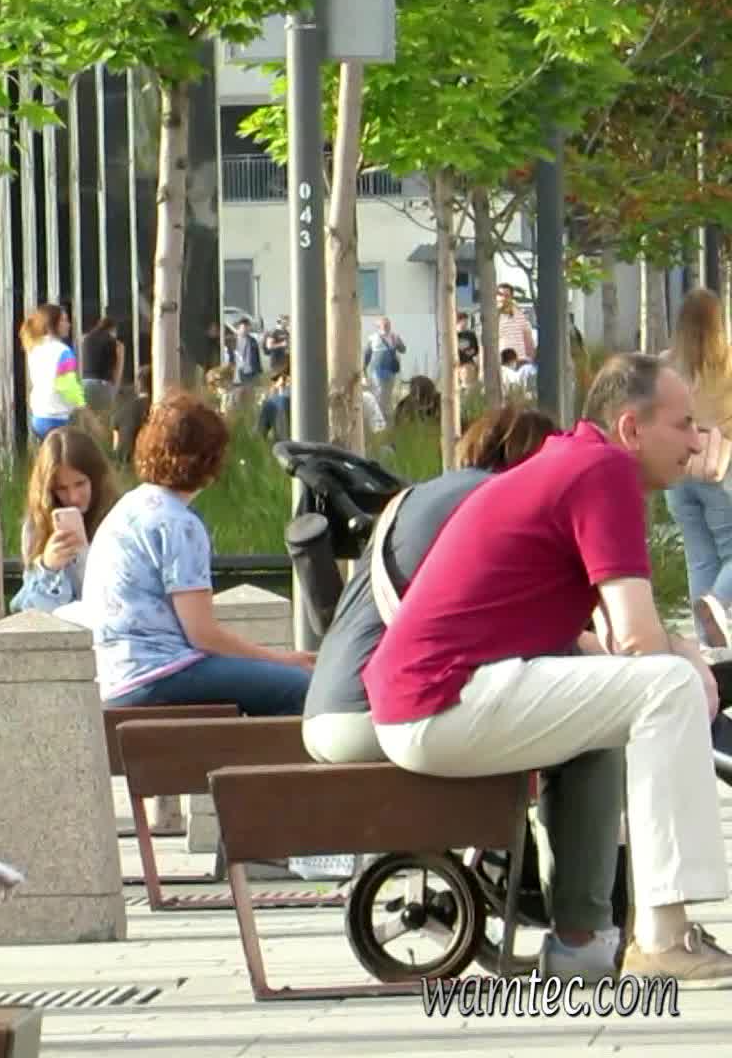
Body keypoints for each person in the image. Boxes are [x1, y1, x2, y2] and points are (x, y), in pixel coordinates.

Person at [365, 351, 732, 983]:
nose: (697, 442)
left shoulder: (575, 462)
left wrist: (679, 651)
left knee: (646, 692)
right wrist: (690, 662)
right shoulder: (603, 471)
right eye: (683, 425)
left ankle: (588, 944)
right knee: (667, 687)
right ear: (630, 428)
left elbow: (618, 639)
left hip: (430, 699)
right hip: (444, 700)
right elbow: (638, 640)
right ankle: (664, 939)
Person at [304, 403, 557, 765]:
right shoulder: (498, 499)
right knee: (587, 716)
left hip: (321, 711)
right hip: (376, 715)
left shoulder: (417, 496)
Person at [85, 394, 313, 713]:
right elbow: (202, 635)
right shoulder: (179, 523)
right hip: (161, 674)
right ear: (211, 461)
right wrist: (283, 660)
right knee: (304, 688)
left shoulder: (129, 506)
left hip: (118, 677)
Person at [661, 289, 732, 646]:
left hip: (676, 472)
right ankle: (716, 603)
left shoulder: (664, 366)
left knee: (699, 558)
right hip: (720, 472)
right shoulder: (728, 363)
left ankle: (709, 647)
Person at [11, 425, 118, 614]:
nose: (73, 497)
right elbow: (28, 609)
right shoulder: (37, 527)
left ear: (96, 479)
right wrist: (48, 569)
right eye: (62, 488)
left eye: (80, 484)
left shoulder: (119, 518)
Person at [21, 304, 85, 439]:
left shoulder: (34, 348)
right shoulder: (63, 351)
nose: (68, 324)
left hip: (39, 416)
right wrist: (82, 406)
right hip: (57, 417)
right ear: (52, 324)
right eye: (64, 320)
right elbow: (67, 384)